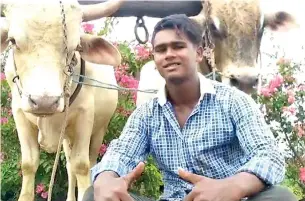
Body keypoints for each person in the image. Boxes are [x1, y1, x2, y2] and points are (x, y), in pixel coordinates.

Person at [83, 14, 297, 201]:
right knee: (96, 194)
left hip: (228, 198)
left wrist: (233, 186)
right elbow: (121, 153)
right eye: (161, 49)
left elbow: (269, 155)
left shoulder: (233, 101)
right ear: (155, 59)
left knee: (281, 197)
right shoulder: (146, 114)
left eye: (178, 46)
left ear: (199, 53)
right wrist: (106, 177)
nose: (169, 54)